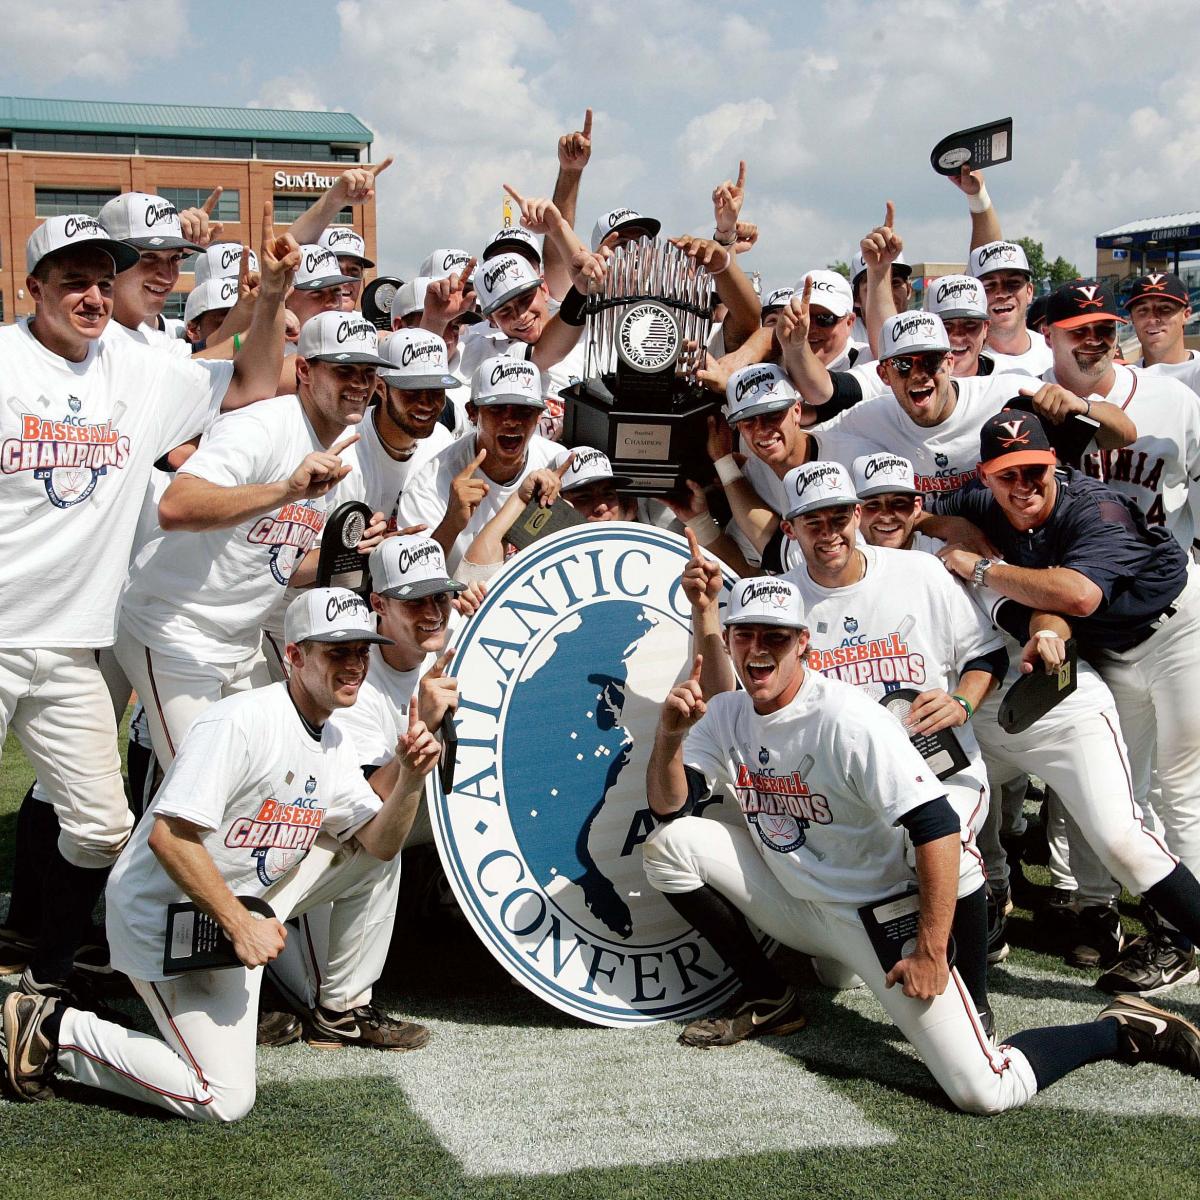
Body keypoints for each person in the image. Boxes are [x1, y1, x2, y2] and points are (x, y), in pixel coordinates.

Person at [641, 575, 1200, 1112]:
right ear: (730, 639)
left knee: (984, 1092)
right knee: (670, 843)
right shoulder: (728, 712)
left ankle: (1120, 1028)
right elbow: (670, 805)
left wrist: (931, 950)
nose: (758, 649)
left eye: (776, 637)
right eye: (746, 635)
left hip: (874, 916)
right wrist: (668, 738)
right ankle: (769, 995)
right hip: (794, 903)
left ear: (803, 644)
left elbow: (937, 826)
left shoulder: (846, 718)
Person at [0, 213, 292, 1010]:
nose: (91, 297)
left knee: (98, 827)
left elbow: (252, 386)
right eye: (72, 282)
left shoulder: (136, 370)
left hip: (70, 646)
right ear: (33, 289)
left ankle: (38, 976)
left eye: (102, 281)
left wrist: (266, 307)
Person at [1, 588, 438, 1118]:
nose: (353, 666)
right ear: (295, 657)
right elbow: (169, 837)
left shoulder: (335, 741)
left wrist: (411, 776)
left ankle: (336, 1005)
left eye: (360, 652)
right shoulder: (240, 721)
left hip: (235, 916)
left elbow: (381, 844)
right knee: (223, 1098)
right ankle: (54, 1027)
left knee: (360, 848)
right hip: (163, 921)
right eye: (336, 652)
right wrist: (239, 924)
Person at [931, 409, 1200, 994]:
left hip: (1178, 630)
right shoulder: (983, 502)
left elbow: (1074, 593)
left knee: (1177, 790)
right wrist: (962, 538)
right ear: (986, 475)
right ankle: (1134, 918)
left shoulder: (1094, 507)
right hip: (1112, 651)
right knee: (1130, 792)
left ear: (1054, 464)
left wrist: (982, 566)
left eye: (1035, 471)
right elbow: (934, 518)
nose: (1024, 487)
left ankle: (1182, 943)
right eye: (1009, 476)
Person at [113, 312, 389, 767]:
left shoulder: (348, 457)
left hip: (241, 641)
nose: (359, 383)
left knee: (263, 776)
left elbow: (283, 563)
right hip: (173, 630)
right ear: (303, 370)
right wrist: (284, 491)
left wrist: (346, 554)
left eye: (367, 372)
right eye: (343, 370)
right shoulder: (260, 427)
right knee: (204, 790)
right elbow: (177, 506)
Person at [268, 538, 465, 1047]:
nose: (432, 612)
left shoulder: (459, 632)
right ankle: (339, 1003)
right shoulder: (351, 676)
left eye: (440, 597)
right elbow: (365, 803)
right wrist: (422, 719)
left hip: (435, 802)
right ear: (378, 604)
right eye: (413, 601)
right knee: (383, 840)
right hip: (309, 835)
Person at [814, 310, 1134, 499]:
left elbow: (1122, 435)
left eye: (930, 361)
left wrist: (1083, 406)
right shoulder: (868, 418)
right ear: (883, 373)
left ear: (950, 362)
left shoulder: (1007, 393)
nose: (919, 375)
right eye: (903, 365)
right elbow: (800, 446)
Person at [1035, 278, 1200, 550]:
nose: (1094, 339)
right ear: (1048, 337)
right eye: (1078, 330)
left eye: (1105, 329)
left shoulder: (1172, 398)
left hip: (1165, 577)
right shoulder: (1027, 402)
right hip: (1067, 580)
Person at [397, 355, 570, 574]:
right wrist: (451, 523)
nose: (512, 420)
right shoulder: (430, 482)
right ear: (472, 412)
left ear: (539, 416)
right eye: (497, 409)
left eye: (524, 410)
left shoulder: (556, 462)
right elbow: (414, 581)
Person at [967, 240, 1053, 374]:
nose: (1002, 293)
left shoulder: (1055, 352)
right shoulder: (963, 362)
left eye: (1013, 283)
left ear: (1029, 292)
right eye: (989, 285)